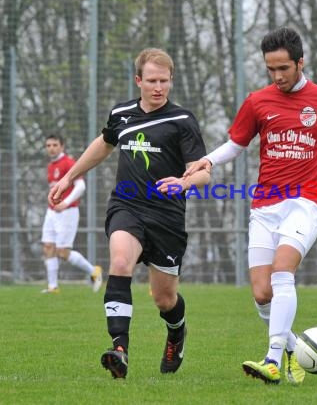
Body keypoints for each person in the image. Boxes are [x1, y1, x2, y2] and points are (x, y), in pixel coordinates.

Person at [184, 27, 317, 385]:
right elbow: (236, 144)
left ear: (300, 63)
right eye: (270, 69)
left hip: (308, 201)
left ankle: (271, 359)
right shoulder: (258, 101)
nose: (277, 76)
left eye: (283, 69)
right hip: (265, 203)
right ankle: (293, 350)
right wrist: (207, 161)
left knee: (282, 271)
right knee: (261, 293)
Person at [48, 48, 210, 379]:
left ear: (171, 81)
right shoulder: (122, 113)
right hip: (127, 206)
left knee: (164, 298)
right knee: (119, 262)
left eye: (164, 81)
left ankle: (177, 332)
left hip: (166, 217)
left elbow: (204, 173)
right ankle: (119, 349)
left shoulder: (182, 121)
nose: (158, 87)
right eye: (151, 80)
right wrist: (68, 176)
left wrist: (183, 182)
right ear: (138, 80)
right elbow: (104, 144)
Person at [41, 134, 103, 294]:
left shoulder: (68, 162)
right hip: (52, 212)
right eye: (48, 145)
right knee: (48, 247)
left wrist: (66, 203)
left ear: (62, 146)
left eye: (55, 145)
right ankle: (53, 287)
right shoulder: (51, 165)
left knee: (62, 252)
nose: (51, 148)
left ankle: (94, 272)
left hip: (68, 212)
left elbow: (81, 186)